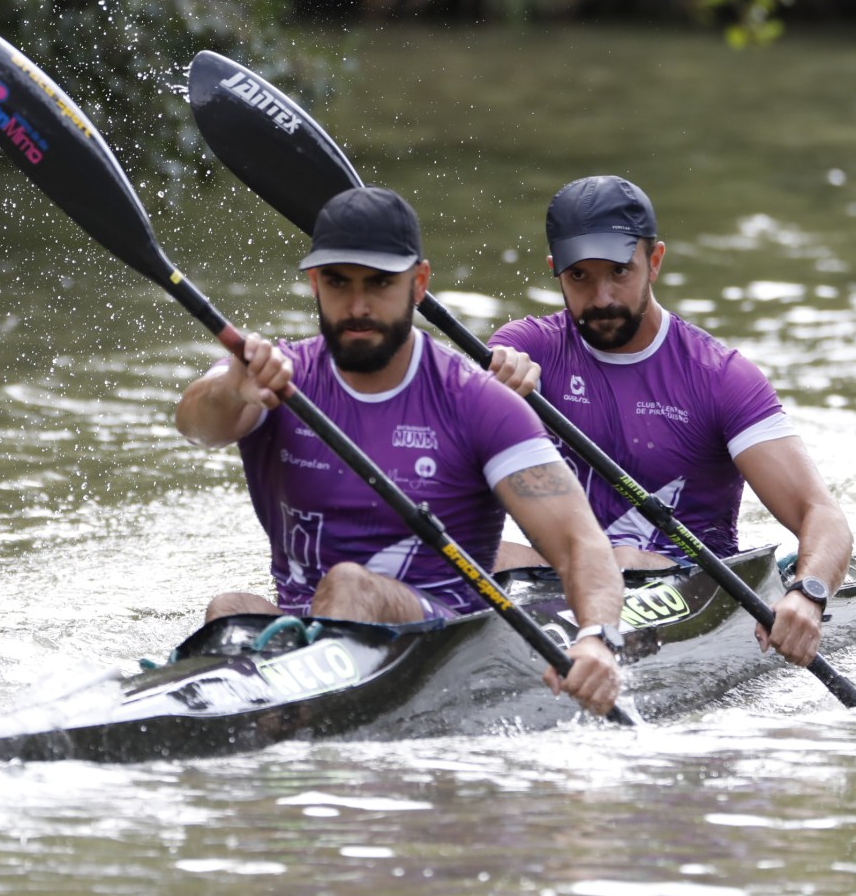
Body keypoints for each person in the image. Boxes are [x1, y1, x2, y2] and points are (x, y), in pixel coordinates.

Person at [176, 186, 626, 716]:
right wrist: (233, 386)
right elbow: (196, 426)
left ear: (418, 284)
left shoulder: (479, 404)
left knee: (349, 586)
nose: (358, 307)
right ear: (314, 283)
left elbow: (579, 542)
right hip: (303, 642)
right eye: (339, 283)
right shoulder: (272, 380)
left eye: (379, 284)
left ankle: (295, 745)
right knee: (229, 611)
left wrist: (597, 637)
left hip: (439, 646)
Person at [487, 174, 853, 669]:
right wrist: (489, 400)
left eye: (619, 271)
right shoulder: (525, 349)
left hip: (685, 587)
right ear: (555, 271)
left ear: (654, 261)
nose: (601, 297)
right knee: (477, 554)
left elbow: (822, 514)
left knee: (623, 559)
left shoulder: (720, 377)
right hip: (563, 577)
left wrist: (807, 594)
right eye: (580, 277)